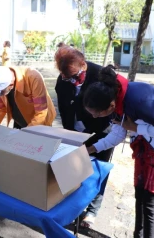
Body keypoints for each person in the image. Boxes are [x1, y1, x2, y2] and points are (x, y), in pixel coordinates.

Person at [83, 66, 154, 238]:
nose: (94, 117)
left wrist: (136, 127)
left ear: (110, 106)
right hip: (147, 147)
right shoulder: (114, 100)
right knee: (141, 196)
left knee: (153, 206)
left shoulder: (140, 100)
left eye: (96, 114)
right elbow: (118, 132)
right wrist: (91, 149)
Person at [54, 45, 118, 226]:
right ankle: (75, 205)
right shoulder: (63, 81)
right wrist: (69, 134)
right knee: (75, 168)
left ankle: (93, 210)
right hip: (76, 132)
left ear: (83, 64)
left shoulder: (102, 76)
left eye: (74, 77)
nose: (71, 81)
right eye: (66, 78)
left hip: (102, 130)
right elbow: (64, 110)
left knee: (99, 169)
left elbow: (111, 109)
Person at [0, 66, 56, 137]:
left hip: (40, 123)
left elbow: (41, 112)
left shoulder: (33, 77)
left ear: (11, 85)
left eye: (0, 93)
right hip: (19, 120)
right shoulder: (0, 78)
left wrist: (25, 134)